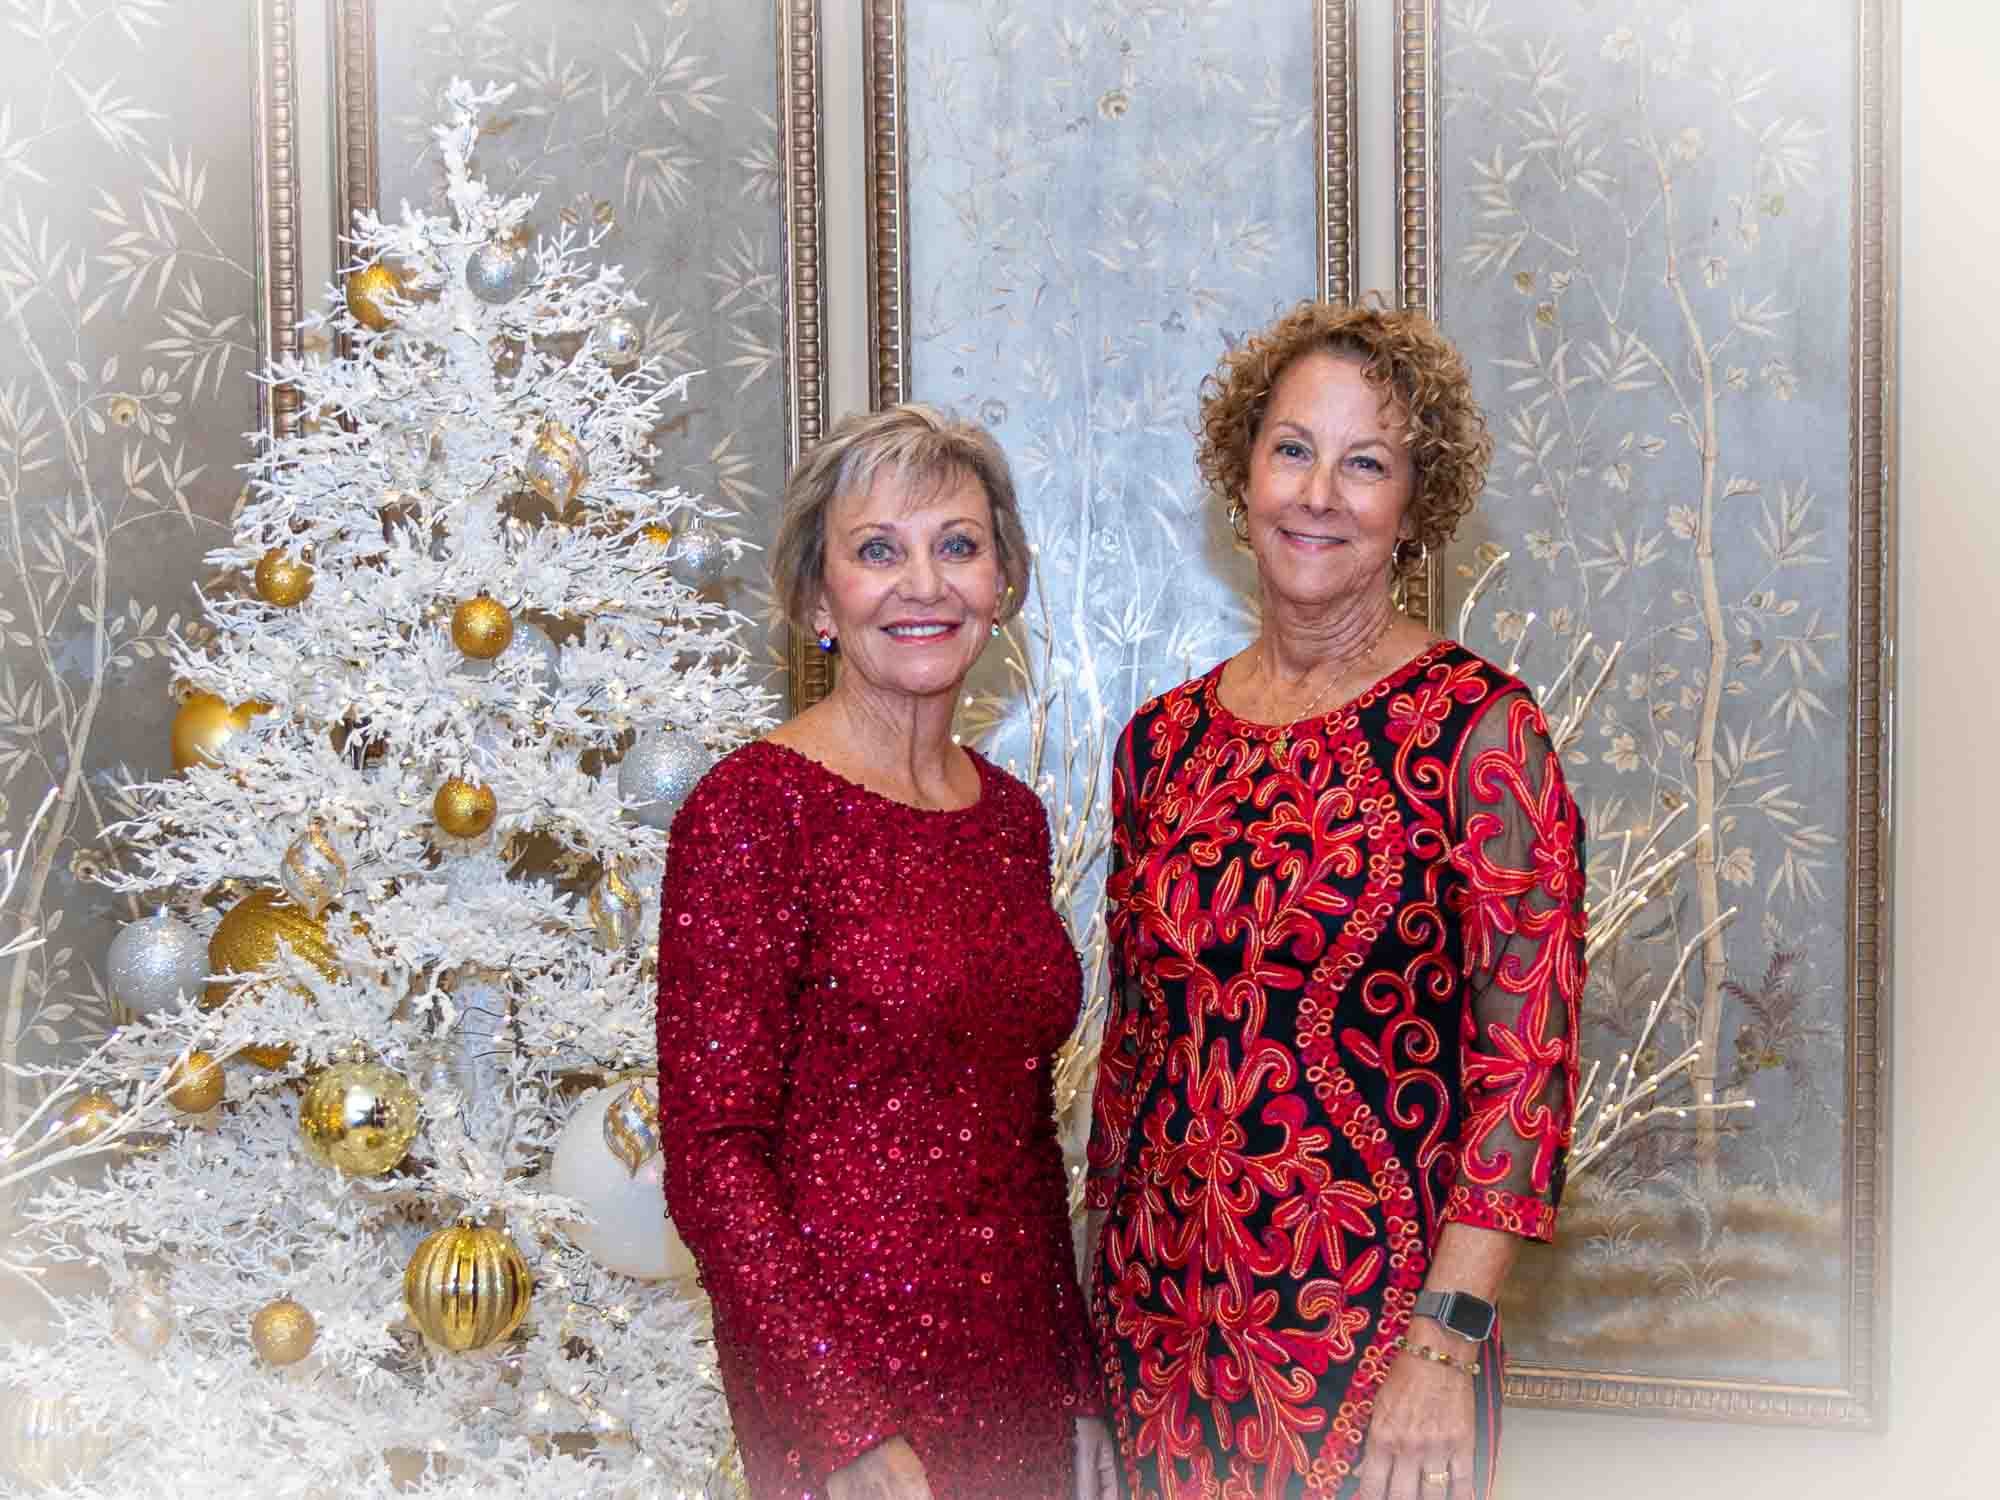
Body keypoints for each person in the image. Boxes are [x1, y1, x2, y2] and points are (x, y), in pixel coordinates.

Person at [1083, 302, 1587, 1500]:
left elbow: (1529, 1067)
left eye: (1365, 463)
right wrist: (1082, 1349)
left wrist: (1442, 1345)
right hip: (1153, 1331)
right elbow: (1129, 1056)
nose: (1318, 492)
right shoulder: (1159, 742)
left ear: (1413, 508)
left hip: (1372, 1341)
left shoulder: (1480, 730)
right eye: (1292, 448)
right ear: (1241, 471)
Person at [656, 404, 1117, 1500]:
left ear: (999, 583)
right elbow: (712, 1159)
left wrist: (1079, 1385)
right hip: (842, 1388)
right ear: (820, 599)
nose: (923, 583)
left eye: (956, 545)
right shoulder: (751, 810)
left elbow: (1018, 1137)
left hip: (1015, 1375)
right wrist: (839, 1424)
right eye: (877, 551)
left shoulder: (1006, 819)